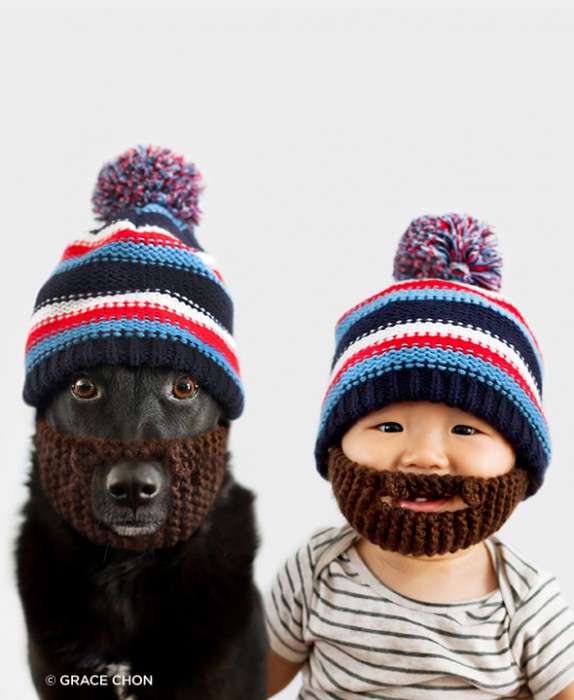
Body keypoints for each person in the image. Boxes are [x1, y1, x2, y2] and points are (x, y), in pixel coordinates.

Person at [265, 213, 574, 699]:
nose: (425, 456)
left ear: (520, 460)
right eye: (389, 426)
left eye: (466, 429)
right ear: (336, 445)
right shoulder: (317, 570)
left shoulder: (529, 604)